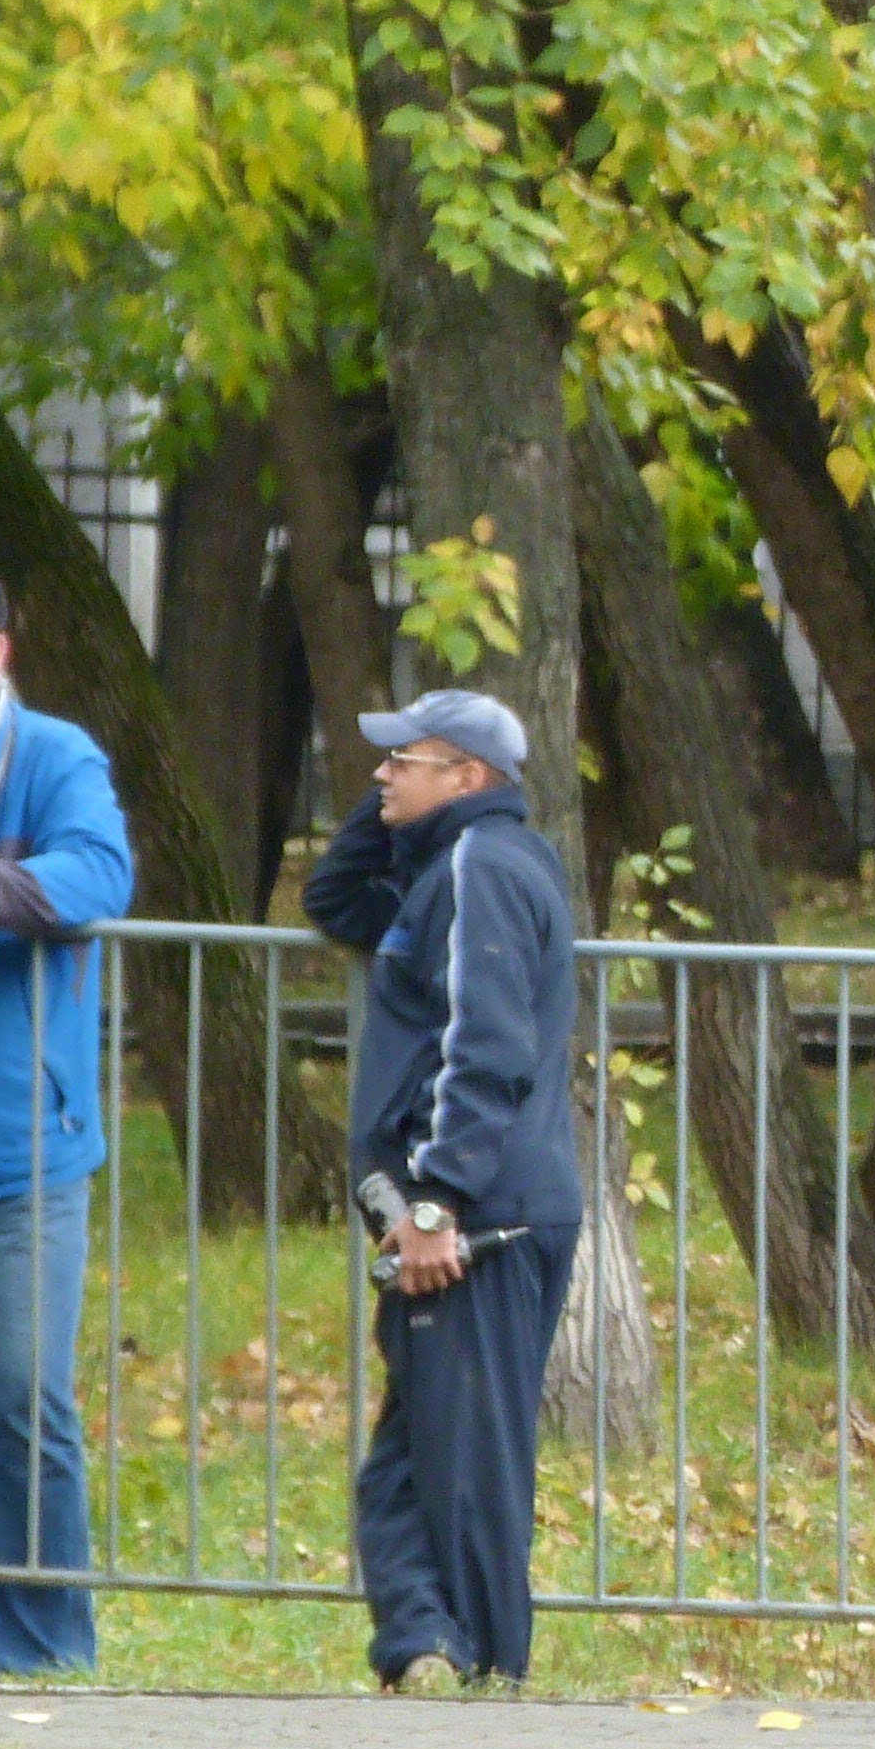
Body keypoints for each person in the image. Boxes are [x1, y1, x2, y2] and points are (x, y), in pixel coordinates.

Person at [305, 686, 579, 1694]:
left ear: (467, 777)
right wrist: (393, 805)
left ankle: (484, 1667)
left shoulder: (480, 871)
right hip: (471, 1210)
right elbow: (336, 901)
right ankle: (427, 1645)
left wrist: (434, 1206)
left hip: (477, 1217)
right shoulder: (453, 864)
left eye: (403, 760)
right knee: (418, 1455)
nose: (379, 774)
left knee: (464, 1459)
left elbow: (484, 1051)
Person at [0, 557, 133, 1679]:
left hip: (19, 1151)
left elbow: (97, 877)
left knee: (16, 1398)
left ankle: (43, 1644)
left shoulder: (52, 757)